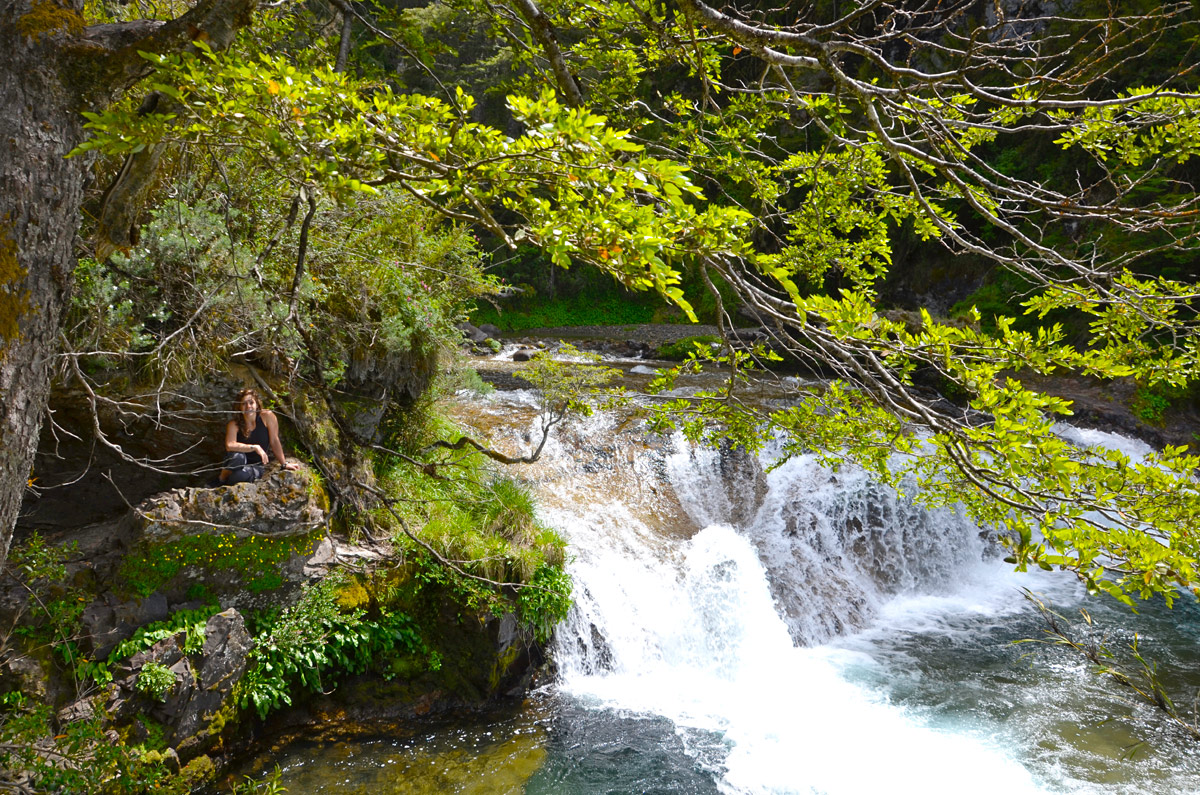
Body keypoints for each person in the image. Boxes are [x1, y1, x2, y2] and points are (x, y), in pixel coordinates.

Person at [217, 388, 300, 485]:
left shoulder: (267, 417)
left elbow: (274, 440)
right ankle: (221, 479)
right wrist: (254, 447)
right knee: (238, 457)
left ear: (257, 405)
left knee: (240, 476)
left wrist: (284, 464)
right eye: (244, 404)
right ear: (239, 407)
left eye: (251, 402)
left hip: (256, 466)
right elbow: (230, 445)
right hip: (236, 462)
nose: (248, 406)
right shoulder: (234, 424)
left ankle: (230, 481)